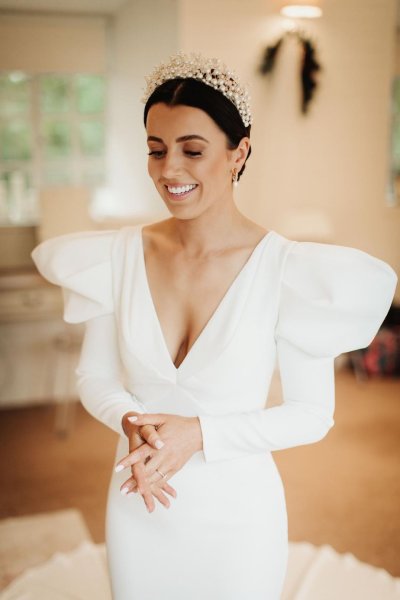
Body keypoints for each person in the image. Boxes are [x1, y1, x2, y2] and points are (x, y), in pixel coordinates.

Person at [31, 51, 398, 600]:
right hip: (140, 499)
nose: (168, 170)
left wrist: (200, 434)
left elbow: (312, 414)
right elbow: (95, 377)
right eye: (155, 151)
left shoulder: (287, 271)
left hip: (239, 515)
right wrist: (129, 420)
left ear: (238, 153)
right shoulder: (117, 257)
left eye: (192, 150)